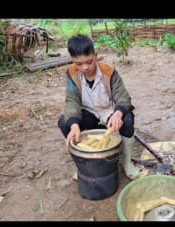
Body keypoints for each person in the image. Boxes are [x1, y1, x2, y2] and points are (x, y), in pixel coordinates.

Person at [57, 34, 145, 180]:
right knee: (64, 121)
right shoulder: (72, 73)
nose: (85, 67)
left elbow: (123, 97)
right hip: (89, 114)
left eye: (89, 62)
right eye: (79, 64)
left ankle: (126, 161)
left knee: (127, 119)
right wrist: (73, 124)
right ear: (72, 61)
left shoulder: (109, 71)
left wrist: (118, 113)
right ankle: (84, 164)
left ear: (96, 55)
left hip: (109, 114)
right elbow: (71, 100)